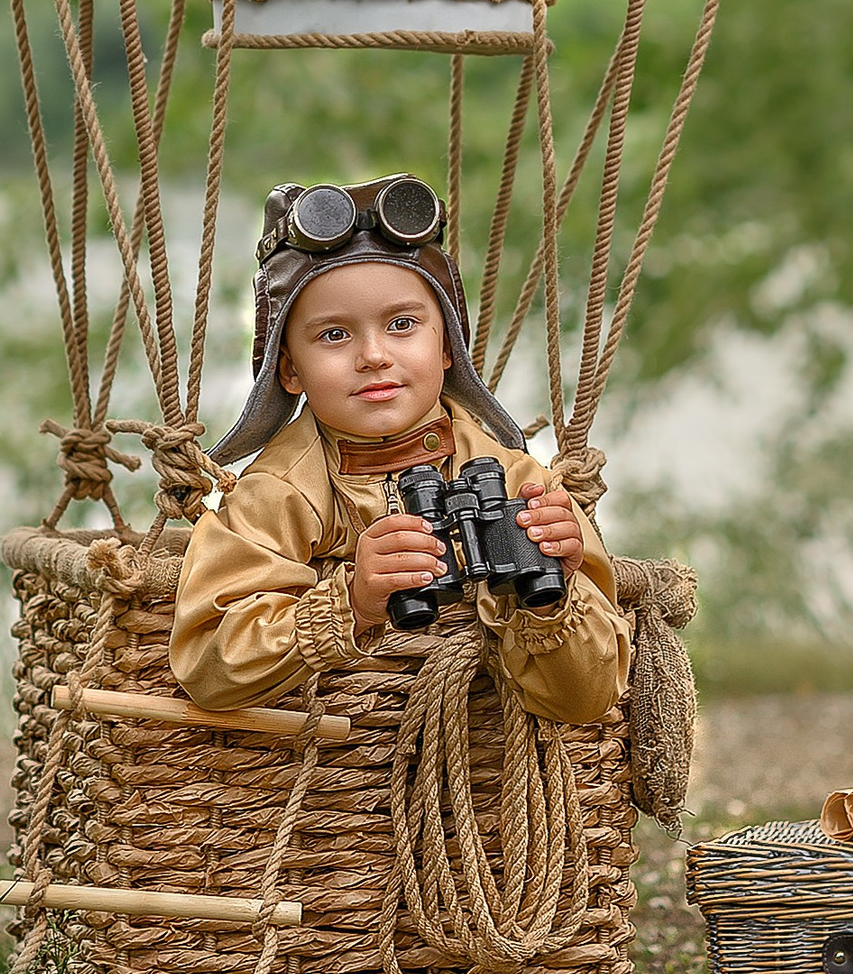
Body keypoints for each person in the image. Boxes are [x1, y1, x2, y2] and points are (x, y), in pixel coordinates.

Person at [169, 175, 629, 725]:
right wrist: (352, 603)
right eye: (334, 335)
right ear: (289, 370)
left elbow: (589, 700)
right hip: (325, 765)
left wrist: (554, 595)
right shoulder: (276, 494)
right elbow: (206, 665)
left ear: (447, 347)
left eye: (403, 325)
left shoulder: (517, 481)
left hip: (481, 760)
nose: (373, 356)